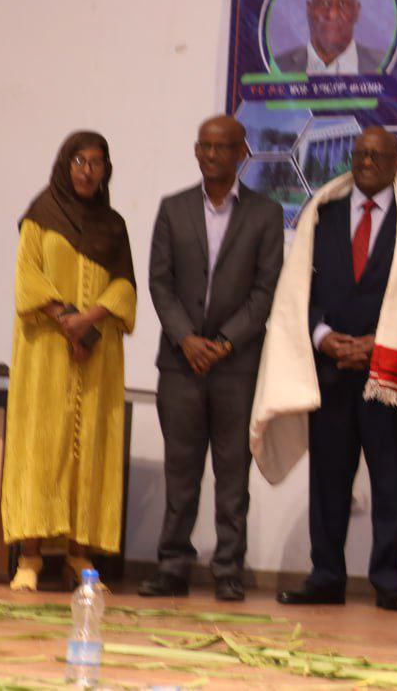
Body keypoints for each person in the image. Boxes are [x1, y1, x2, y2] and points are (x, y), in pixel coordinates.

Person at [252, 128, 397, 613]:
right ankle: (325, 577)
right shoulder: (324, 215)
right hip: (331, 370)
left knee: (390, 482)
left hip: (389, 375)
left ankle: (389, 581)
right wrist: (321, 335)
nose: (366, 162)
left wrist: (380, 343)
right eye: (360, 154)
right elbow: (299, 289)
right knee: (328, 481)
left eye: (377, 156)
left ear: (396, 163)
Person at [139, 115, 284, 602]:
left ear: (242, 153)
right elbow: (159, 281)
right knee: (180, 472)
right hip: (179, 363)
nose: (212, 155)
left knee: (233, 474)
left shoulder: (266, 213)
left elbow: (265, 290)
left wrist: (224, 342)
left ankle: (228, 570)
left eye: (222, 147)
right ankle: (172, 566)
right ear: (196, 151)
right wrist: (186, 339)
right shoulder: (173, 208)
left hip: (235, 366)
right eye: (205, 146)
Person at [4, 132, 136, 592]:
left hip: (97, 352)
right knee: (42, 448)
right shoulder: (40, 215)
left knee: (90, 451)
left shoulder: (113, 226)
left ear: (106, 170)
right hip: (46, 350)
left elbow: (124, 287)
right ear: (65, 164)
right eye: (79, 161)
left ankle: (79, 556)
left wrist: (90, 322)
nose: (87, 170)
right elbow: (27, 279)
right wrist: (67, 321)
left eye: (96, 162)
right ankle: (31, 557)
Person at [274, 0, 387, 75]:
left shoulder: (384, 63)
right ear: (309, 10)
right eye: (324, 3)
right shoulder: (278, 66)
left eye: (343, 4)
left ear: (356, 12)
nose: (332, 14)